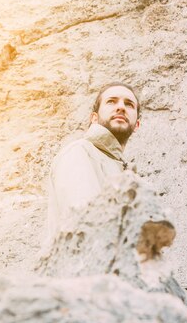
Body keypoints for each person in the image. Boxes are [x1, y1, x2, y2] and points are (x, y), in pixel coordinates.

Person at [46, 82, 141, 239]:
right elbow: (86, 226)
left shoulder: (124, 172)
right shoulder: (79, 152)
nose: (121, 107)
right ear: (94, 118)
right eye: (111, 101)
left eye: (129, 104)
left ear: (137, 124)